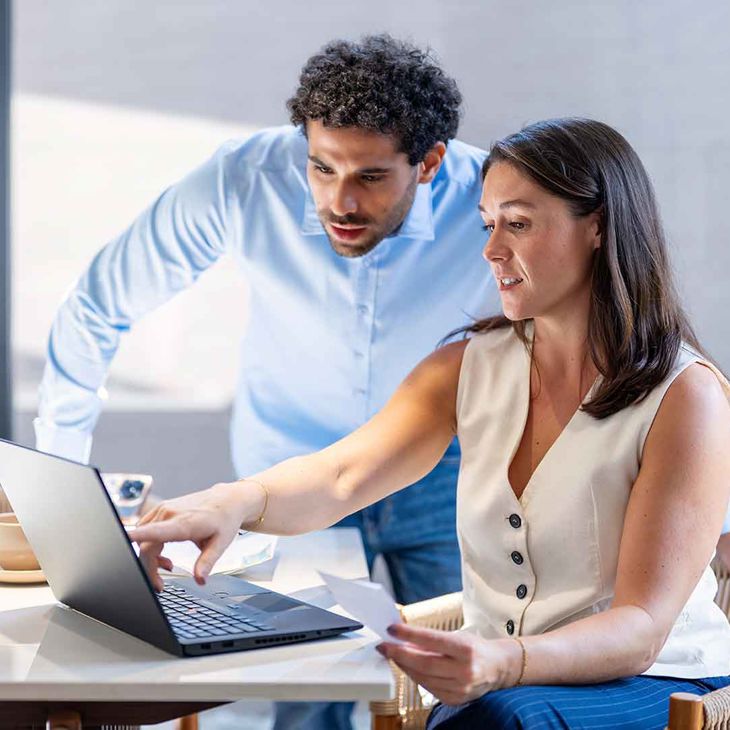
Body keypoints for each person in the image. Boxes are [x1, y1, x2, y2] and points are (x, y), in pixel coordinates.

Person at [130, 118, 730, 730]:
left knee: (495, 719)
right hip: (500, 687)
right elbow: (341, 476)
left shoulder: (685, 396)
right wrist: (230, 502)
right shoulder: (467, 365)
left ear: (599, 225)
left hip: (660, 683)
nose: (492, 250)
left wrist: (503, 663)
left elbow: (642, 629)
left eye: (518, 224)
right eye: (488, 225)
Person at [34, 34, 499, 730]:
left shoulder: (493, 203)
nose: (339, 199)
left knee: (470, 690)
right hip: (288, 473)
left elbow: (613, 329)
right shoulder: (245, 178)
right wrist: (63, 490)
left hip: (442, 470)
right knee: (308, 690)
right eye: (321, 167)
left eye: (370, 177)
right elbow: (99, 304)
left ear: (429, 163)